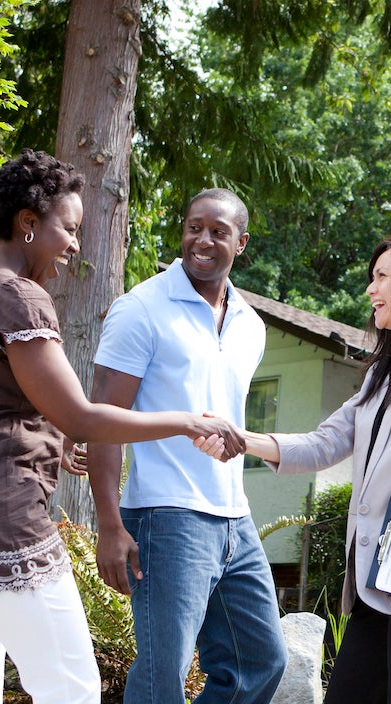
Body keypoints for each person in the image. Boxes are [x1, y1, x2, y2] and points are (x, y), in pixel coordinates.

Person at [0, 150, 247, 704]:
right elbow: (80, 415)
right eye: (69, 228)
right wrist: (185, 421)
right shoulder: (17, 295)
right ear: (28, 223)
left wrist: (52, 439)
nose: (76, 244)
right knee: (73, 688)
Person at [198, 233, 391, 704]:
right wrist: (242, 439)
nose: (370, 290)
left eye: (381, 277)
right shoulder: (387, 370)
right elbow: (325, 442)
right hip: (376, 580)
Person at [86, 187, 287, 704]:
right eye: (194, 227)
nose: (203, 239)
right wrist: (109, 525)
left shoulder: (252, 326)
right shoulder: (141, 309)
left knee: (260, 660)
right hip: (164, 514)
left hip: (233, 517)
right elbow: (104, 421)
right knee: (163, 676)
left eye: (218, 231)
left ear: (240, 244)